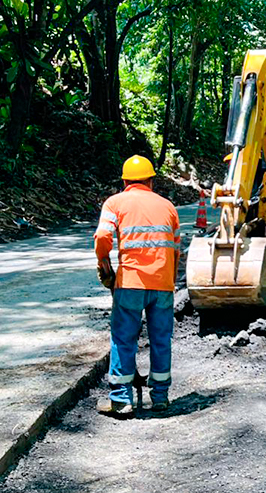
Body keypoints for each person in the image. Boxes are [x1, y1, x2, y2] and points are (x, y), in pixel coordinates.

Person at [93, 155, 181, 418]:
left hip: (130, 283)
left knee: (123, 339)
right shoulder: (168, 206)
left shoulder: (115, 202)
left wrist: (104, 264)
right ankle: (161, 397)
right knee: (161, 340)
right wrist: (170, 281)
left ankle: (121, 400)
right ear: (151, 181)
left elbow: (102, 236)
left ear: (124, 181)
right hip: (163, 285)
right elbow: (176, 250)